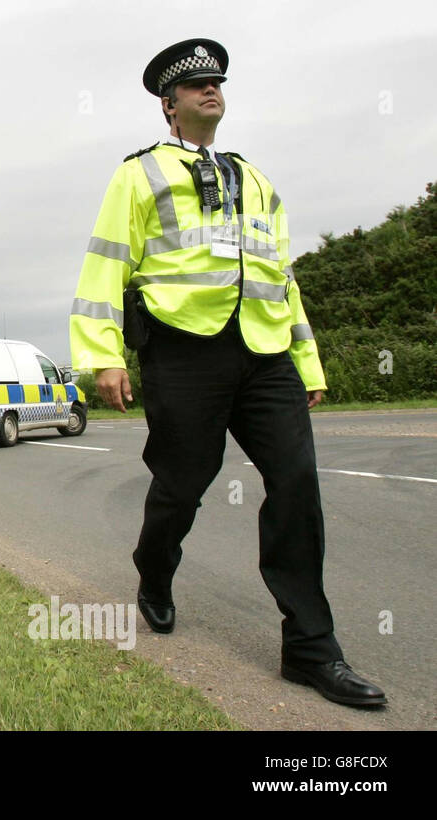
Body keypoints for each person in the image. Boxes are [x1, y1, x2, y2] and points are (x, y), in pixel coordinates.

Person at [68, 38, 386, 707]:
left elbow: (283, 278)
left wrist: (307, 358)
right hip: (183, 350)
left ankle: (310, 648)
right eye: (196, 86)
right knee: (182, 484)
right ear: (169, 105)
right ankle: (155, 571)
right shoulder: (139, 174)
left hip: (265, 353)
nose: (212, 90)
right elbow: (106, 264)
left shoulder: (258, 179)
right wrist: (102, 354)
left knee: (297, 481)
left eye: (218, 82)